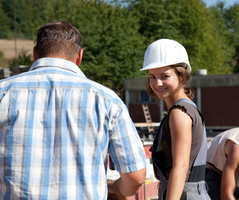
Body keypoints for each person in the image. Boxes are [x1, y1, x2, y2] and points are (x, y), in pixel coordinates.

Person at [0, 21, 146, 199]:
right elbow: (135, 177)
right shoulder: (107, 100)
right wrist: (116, 189)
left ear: (34, 54)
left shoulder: (3, 92)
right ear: (79, 57)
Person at [140, 38, 210, 200]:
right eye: (152, 76)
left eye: (164, 76)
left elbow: (181, 166)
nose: (157, 83)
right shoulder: (186, 108)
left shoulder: (179, 112)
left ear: (181, 76)